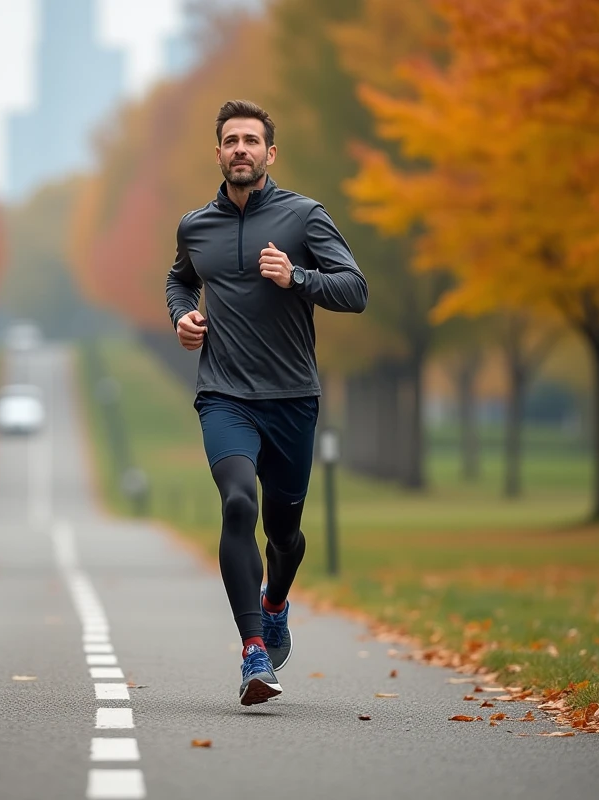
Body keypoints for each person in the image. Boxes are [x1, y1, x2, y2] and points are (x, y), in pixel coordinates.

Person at [164, 99, 368, 706]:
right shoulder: (195, 225)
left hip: (292, 399)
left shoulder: (305, 217)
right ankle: (254, 651)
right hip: (224, 394)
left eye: (251, 140)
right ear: (218, 152)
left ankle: (275, 602)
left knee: (284, 533)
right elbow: (180, 279)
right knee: (236, 504)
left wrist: (296, 278)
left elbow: (355, 290)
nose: (241, 149)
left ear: (269, 153)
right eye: (231, 141)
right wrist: (183, 315)